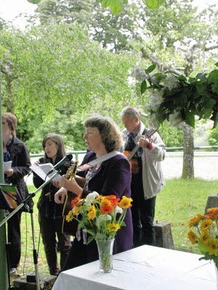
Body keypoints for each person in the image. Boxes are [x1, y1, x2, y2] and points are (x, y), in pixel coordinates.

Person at [55, 114, 133, 270]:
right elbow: (82, 178)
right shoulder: (91, 156)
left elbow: (107, 202)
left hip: (109, 232)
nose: (85, 136)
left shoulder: (119, 163)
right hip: (86, 228)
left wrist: (74, 189)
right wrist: (65, 186)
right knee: (71, 272)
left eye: (89, 132)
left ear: (104, 135)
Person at [0, 112, 31, 278]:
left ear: (10, 127)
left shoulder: (20, 146)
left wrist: (12, 171)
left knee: (13, 228)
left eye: (2, 123)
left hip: (13, 190)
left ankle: (12, 263)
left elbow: (26, 167)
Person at [120, 106, 166, 247]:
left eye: (127, 122)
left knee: (147, 220)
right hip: (130, 183)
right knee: (133, 220)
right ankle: (134, 248)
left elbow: (162, 155)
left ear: (136, 120)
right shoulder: (123, 135)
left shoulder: (150, 134)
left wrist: (149, 145)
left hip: (146, 183)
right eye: (123, 122)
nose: (125, 126)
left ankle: (148, 252)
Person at [32, 134, 72, 276]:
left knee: (64, 243)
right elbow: (37, 185)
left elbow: (72, 185)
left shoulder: (68, 163)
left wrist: (61, 183)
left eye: (50, 144)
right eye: (45, 145)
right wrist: (36, 171)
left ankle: (64, 273)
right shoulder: (43, 162)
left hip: (62, 208)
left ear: (58, 145)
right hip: (46, 207)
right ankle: (53, 272)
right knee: (48, 242)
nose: (46, 148)